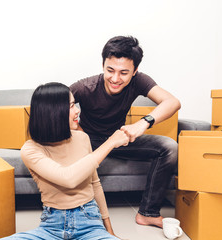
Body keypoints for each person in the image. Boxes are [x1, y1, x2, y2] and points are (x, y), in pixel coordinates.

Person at [70, 36, 181, 228]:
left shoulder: (140, 81)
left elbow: (172, 102)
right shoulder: (85, 87)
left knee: (169, 147)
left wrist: (144, 123)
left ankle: (148, 213)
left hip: (119, 138)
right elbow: (56, 107)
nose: (115, 78)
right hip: (90, 142)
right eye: (110, 70)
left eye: (123, 73)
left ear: (135, 71)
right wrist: (80, 134)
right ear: (103, 65)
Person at [0, 82, 130, 240]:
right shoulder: (31, 149)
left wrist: (109, 231)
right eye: (71, 106)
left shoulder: (82, 138)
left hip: (89, 223)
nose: (77, 111)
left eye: (75, 104)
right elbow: (68, 178)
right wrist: (110, 143)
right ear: (53, 112)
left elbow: (95, 184)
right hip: (51, 227)